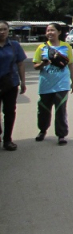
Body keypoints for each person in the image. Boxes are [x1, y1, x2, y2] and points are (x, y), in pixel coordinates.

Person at [32, 23, 73, 145]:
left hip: (62, 84)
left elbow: (70, 64)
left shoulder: (66, 47)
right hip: (46, 84)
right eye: (48, 30)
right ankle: (42, 130)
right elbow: (35, 65)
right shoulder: (41, 47)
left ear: (59, 32)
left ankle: (61, 135)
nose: (50, 33)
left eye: (52, 30)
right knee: (43, 109)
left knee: (61, 109)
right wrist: (42, 64)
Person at [0, 20, 27, 151]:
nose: (2, 32)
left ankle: (7, 140)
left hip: (10, 84)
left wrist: (23, 82)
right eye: (0, 30)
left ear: (8, 30)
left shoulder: (14, 45)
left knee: (9, 112)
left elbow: (20, 64)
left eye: (4, 29)